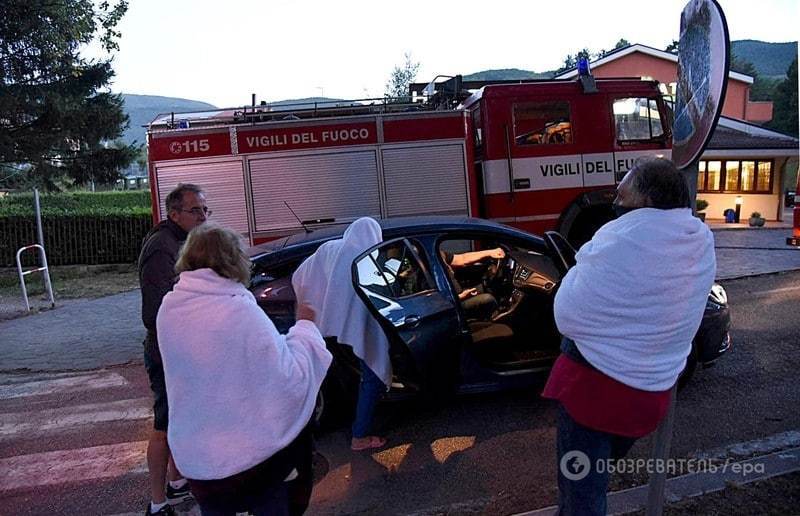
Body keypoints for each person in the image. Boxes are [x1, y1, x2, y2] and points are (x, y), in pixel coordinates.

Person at [542, 157, 716, 515]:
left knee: (582, 499)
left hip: (592, 396)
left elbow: (567, 314)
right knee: (595, 477)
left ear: (648, 203)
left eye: (622, 196)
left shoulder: (621, 238)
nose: (616, 205)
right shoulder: (699, 239)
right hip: (649, 397)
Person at [156, 222, 332, 516]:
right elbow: (288, 378)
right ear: (234, 259)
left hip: (198, 462)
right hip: (250, 464)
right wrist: (305, 327)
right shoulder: (239, 310)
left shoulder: (170, 309)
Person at [138, 183, 209, 515]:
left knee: (177, 419)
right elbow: (156, 312)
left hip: (178, 348)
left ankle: (177, 483)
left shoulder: (179, 241)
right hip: (166, 350)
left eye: (205, 210)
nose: (203, 216)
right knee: (164, 426)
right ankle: (157, 503)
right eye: (196, 210)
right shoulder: (161, 247)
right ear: (174, 213)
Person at [291, 217, 390, 451]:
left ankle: (300, 431)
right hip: (357, 327)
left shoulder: (331, 248)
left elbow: (300, 274)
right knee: (373, 373)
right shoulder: (365, 260)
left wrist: (314, 301)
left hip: (325, 326)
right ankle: (360, 436)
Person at [441, 247, 505, 320]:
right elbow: (435, 300)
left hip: (458, 294)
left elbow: (462, 258)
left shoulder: (437, 252)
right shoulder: (426, 264)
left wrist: (491, 252)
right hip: (452, 304)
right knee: (488, 299)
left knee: (483, 287)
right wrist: (460, 296)